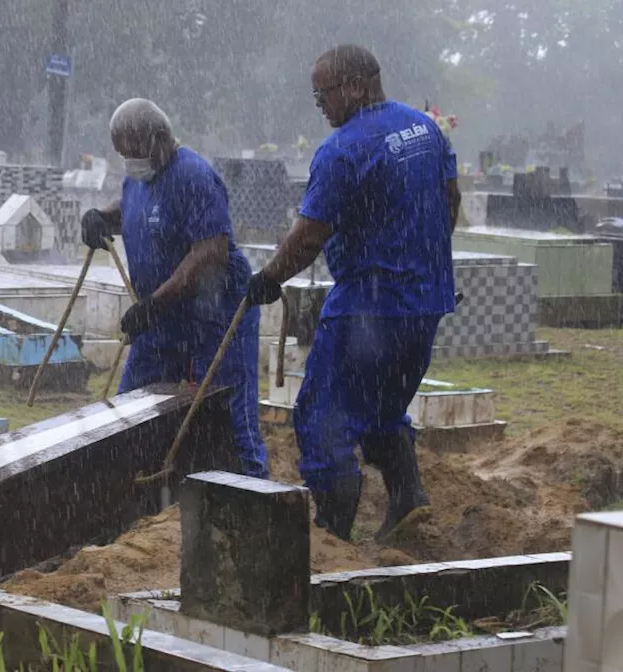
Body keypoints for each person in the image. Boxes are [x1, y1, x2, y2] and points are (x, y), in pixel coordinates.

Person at [244, 45, 459, 542]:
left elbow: (309, 235)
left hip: (367, 309)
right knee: (382, 406)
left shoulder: (344, 149)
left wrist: (269, 277)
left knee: (323, 418)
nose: (318, 103)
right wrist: (423, 266)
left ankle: (333, 533)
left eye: (323, 93)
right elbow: (451, 200)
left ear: (357, 86)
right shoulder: (425, 129)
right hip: (424, 306)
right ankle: (406, 498)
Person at [81, 99, 267, 479]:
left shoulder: (195, 177)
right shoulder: (140, 176)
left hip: (214, 318)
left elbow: (210, 253)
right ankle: (138, 497)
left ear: (161, 138)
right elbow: (136, 206)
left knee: (227, 414)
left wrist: (154, 303)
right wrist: (102, 217)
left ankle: (251, 494)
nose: (131, 162)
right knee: (131, 410)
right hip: (162, 321)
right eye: (123, 155)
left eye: (135, 153)